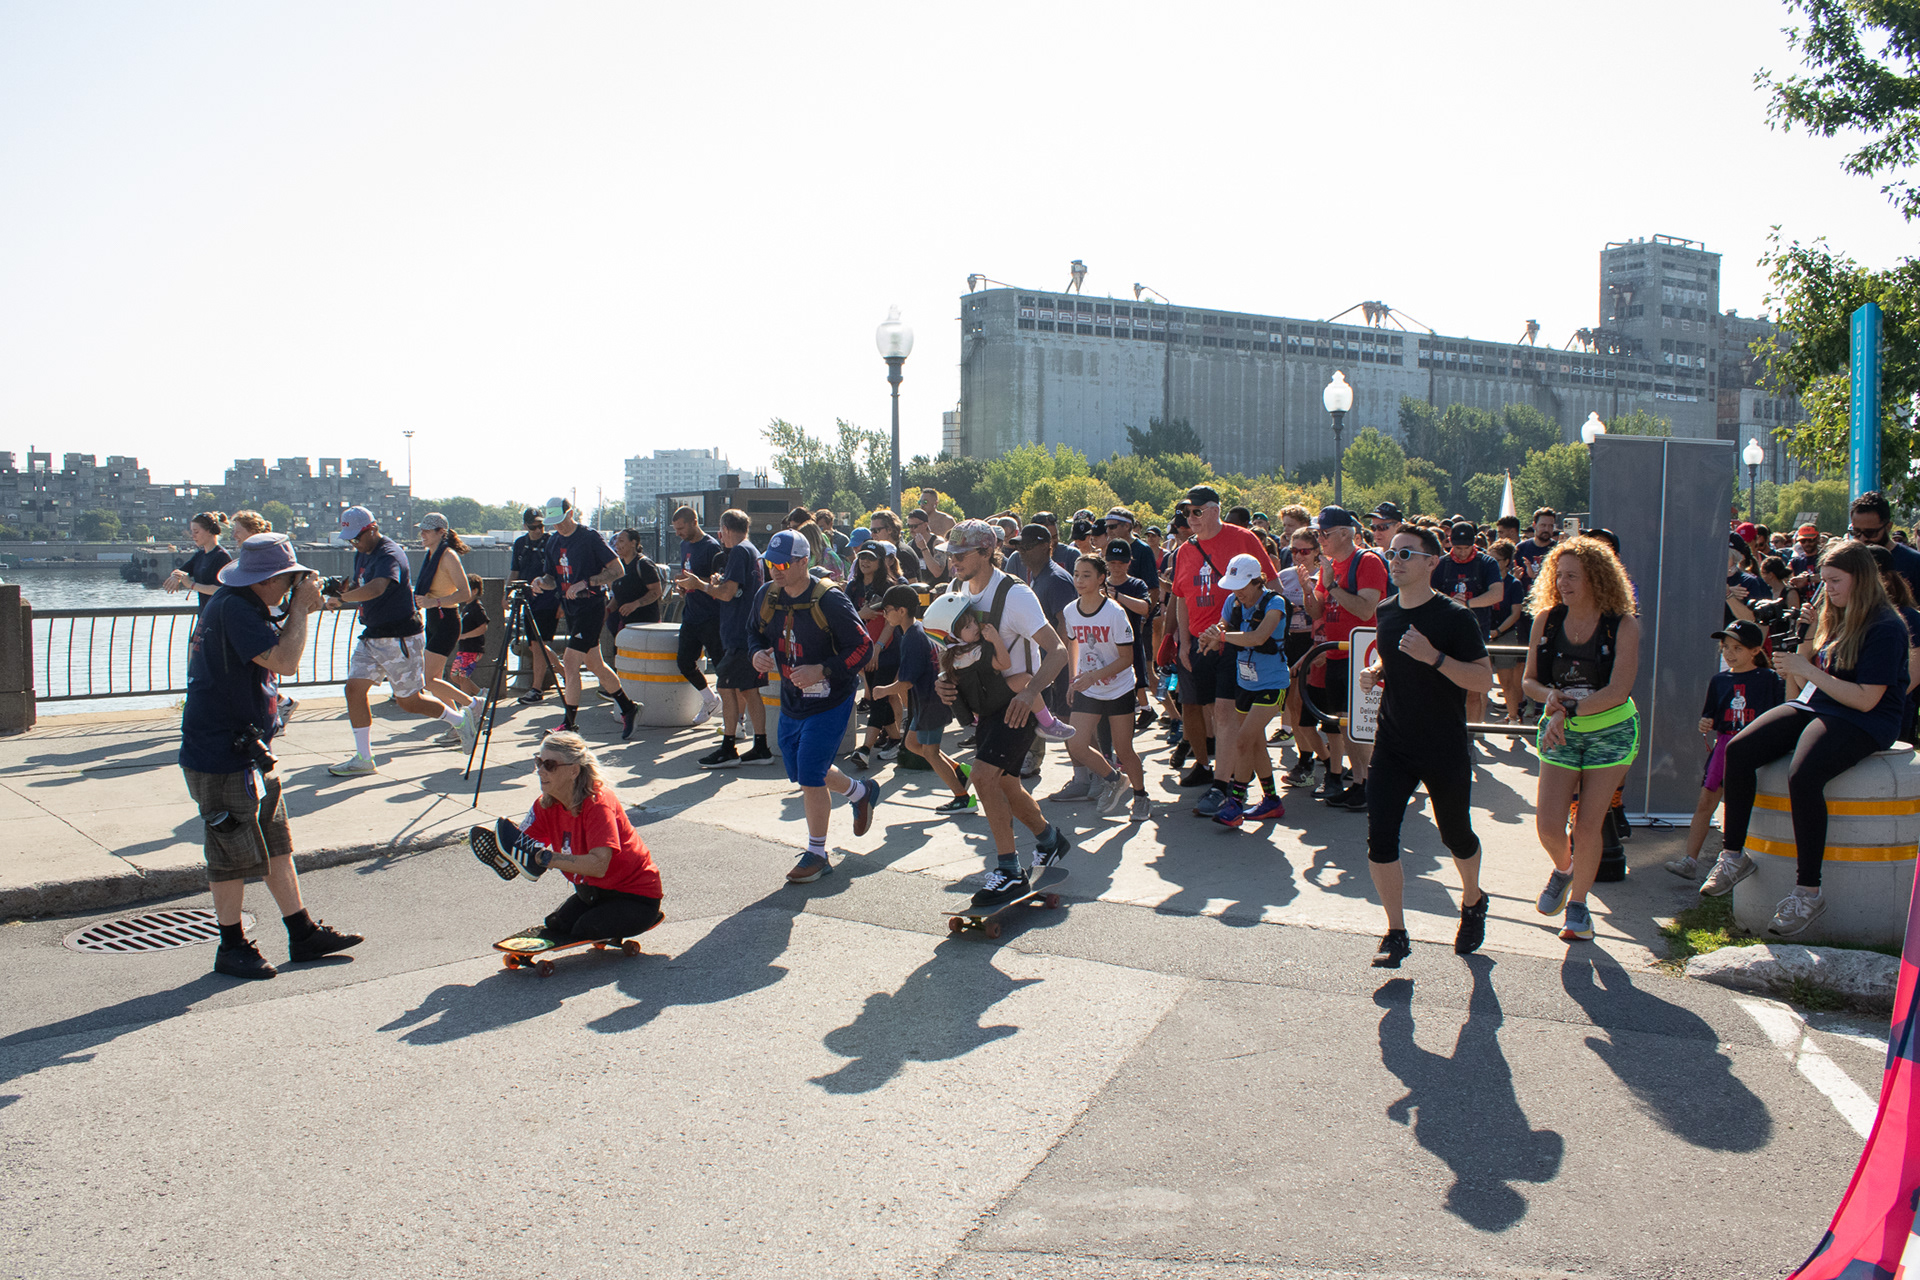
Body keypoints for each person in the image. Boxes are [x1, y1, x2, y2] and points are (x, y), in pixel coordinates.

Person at [1707, 541, 1911, 935]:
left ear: (1861, 579)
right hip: (1820, 702)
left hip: (1864, 717)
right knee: (1740, 749)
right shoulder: (1837, 613)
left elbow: (1866, 699)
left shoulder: (1886, 626)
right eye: (1824, 581)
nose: (1827, 589)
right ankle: (1733, 856)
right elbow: (1804, 681)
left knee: (1803, 774)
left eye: (1835, 581)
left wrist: (1807, 669)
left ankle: (1808, 891)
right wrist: (1807, 640)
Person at [180, 533, 361, 980]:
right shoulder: (236, 609)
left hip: (249, 749)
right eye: (289, 580)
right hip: (221, 751)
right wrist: (299, 609)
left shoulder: (242, 603)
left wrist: (297, 608)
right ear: (266, 579)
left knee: (275, 844)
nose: (293, 587)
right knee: (229, 852)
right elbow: (285, 661)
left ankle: (303, 932)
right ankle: (231, 946)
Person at [1356, 525, 1495, 967]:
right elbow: (1393, 653)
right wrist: (1377, 670)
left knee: (1456, 835)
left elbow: (1482, 680)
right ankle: (1396, 933)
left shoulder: (1455, 617)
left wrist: (1434, 657)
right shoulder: (1385, 610)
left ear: (1432, 562)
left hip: (1443, 743)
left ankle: (1472, 899)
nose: (1395, 561)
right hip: (1392, 741)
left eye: (1406, 554)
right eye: (1392, 553)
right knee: (1380, 839)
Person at [935, 520, 1073, 905]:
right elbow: (951, 652)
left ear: (986, 552)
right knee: (1007, 785)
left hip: (1017, 704)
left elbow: (1058, 651)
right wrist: (942, 682)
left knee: (982, 777)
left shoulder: (1015, 595)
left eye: (961, 554)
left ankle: (1009, 871)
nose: (953, 561)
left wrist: (1030, 693)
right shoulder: (954, 591)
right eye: (950, 554)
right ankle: (1049, 840)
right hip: (985, 705)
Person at [1520, 536, 1642, 943]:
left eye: (1573, 576)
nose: (1563, 583)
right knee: (1548, 826)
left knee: (1588, 824)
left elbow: (1618, 691)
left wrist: (1565, 711)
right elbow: (1530, 681)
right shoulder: (1547, 620)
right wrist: (1551, 700)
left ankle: (1578, 907)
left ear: (1597, 578)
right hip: (1560, 729)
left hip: (1611, 732)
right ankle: (1565, 869)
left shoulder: (1623, 625)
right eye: (1559, 575)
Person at [746, 530, 879, 883]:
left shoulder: (830, 600)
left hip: (831, 700)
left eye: (782, 565)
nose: (775, 570)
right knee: (809, 771)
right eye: (770, 564)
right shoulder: (767, 595)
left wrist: (823, 669)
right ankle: (861, 792)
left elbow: (862, 647)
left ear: (804, 562)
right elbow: (753, 633)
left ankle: (817, 854)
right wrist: (757, 653)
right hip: (792, 699)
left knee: (809, 774)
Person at [471, 732, 664, 942]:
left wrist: (546, 858)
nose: (540, 771)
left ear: (574, 770)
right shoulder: (545, 804)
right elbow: (524, 843)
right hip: (593, 892)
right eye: (539, 762)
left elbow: (599, 865)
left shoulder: (598, 803)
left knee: (586, 928)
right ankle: (603, 920)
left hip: (636, 896)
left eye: (550, 765)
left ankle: (631, 921)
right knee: (556, 924)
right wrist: (508, 852)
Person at [325, 507, 476, 775]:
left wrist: (343, 599)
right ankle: (364, 758)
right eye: (349, 539)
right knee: (353, 690)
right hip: (372, 635)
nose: (354, 543)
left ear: (372, 529)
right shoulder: (363, 552)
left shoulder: (390, 553)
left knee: (410, 701)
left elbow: (377, 587)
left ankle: (460, 720)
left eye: (357, 537)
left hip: (401, 636)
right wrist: (340, 592)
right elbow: (363, 584)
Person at [1172, 485, 1279, 805]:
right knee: (1209, 710)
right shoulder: (1185, 550)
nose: (1190, 518)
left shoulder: (1243, 539)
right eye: (1186, 513)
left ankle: (1226, 785)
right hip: (1200, 643)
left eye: (1197, 511)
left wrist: (1261, 628)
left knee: (1225, 713)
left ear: (1215, 510)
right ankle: (1237, 778)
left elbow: (1272, 585)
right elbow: (1181, 597)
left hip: (1237, 643)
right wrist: (1183, 642)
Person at [1665, 621, 1784, 881]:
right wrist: (1705, 723)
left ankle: (1734, 857)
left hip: (1757, 748)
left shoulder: (1770, 679)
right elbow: (1710, 716)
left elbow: (1781, 714)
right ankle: (1690, 860)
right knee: (1705, 802)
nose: (1729, 653)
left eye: (1737, 648)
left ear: (1755, 650)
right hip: (1724, 747)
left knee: (1740, 804)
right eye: (1726, 647)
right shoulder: (1719, 680)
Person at [528, 498, 641, 740]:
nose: (557, 526)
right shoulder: (553, 542)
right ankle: (628, 707)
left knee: (570, 661)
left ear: (570, 514)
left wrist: (587, 582)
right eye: (553, 522)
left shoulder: (589, 537)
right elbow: (551, 579)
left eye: (560, 520)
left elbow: (618, 570)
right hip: (571, 609)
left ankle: (569, 724)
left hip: (591, 607)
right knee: (595, 664)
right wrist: (539, 583)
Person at [1299, 505, 1384, 811]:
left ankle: (1370, 784)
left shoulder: (1368, 561)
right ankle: (1359, 782)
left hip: (1361, 656)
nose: (1319, 539)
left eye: (1324, 533)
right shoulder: (1331, 565)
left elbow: (1365, 609)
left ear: (1346, 533)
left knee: (1361, 727)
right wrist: (1308, 589)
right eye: (1317, 533)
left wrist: (1332, 584)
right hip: (1336, 654)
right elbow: (1317, 612)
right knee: (1346, 725)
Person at [1204, 553, 1291, 828]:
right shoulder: (1233, 601)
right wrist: (1213, 634)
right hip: (1245, 683)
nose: (1237, 591)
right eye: (1233, 585)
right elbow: (1223, 626)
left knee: (1242, 740)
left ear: (1256, 581)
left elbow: (1258, 637)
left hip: (1273, 684)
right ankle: (1272, 800)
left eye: (1242, 585)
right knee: (1254, 743)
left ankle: (1236, 803)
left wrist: (1221, 636)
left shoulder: (1275, 603)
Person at [871, 584, 974, 814]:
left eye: (886, 610)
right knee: (912, 744)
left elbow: (906, 682)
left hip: (931, 702)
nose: (884, 615)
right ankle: (959, 771)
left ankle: (963, 798)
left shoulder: (912, 638)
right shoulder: (917, 629)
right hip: (925, 702)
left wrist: (883, 691)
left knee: (930, 752)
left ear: (901, 611)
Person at [1058, 554, 1147, 820]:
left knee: (1124, 749)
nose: (1079, 580)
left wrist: (1093, 676)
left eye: (1086, 575)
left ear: (1101, 579)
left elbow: (1127, 659)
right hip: (1088, 688)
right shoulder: (1070, 610)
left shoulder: (1115, 612)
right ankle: (1114, 779)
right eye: (1076, 574)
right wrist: (1074, 680)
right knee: (1076, 744)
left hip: (1119, 688)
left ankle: (1141, 797)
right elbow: (1073, 645)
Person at [694, 509, 770, 768]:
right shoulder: (753, 551)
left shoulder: (738, 551)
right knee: (749, 690)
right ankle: (761, 747)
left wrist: (700, 585)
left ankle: (729, 748)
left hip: (739, 634)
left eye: (721, 530)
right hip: (750, 633)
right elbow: (736, 589)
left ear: (725, 529)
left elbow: (727, 593)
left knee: (726, 688)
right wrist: (720, 583)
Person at [1004, 523, 1079, 750]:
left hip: (1061, 667)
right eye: (1019, 547)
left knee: (1070, 728)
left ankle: (1088, 769)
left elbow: (1067, 624)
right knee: (1051, 724)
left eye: (1028, 546)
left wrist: (1056, 668)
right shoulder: (1038, 576)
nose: (1022, 552)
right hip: (1048, 665)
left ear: (1047, 546)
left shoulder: (1056, 579)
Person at [1430, 520, 1505, 725]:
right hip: (1446, 634)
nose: (1462, 553)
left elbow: (1496, 593)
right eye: (1458, 548)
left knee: (1474, 690)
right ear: (1450, 543)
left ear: (1474, 543)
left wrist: (1467, 604)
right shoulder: (1441, 564)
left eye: (1466, 548)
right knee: (1445, 687)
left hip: (1476, 633)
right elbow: (1430, 594)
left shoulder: (1487, 563)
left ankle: (1471, 733)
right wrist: (1449, 602)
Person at [845, 539, 907, 771]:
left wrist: (878, 648)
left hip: (887, 649)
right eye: (862, 557)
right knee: (878, 696)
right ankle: (895, 739)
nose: (865, 561)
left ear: (881, 562)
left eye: (870, 558)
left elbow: (892, 623)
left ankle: (865, 749)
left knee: (878, 697)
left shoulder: (890, 587)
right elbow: (845, 616)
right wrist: (860, 614)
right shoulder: (853, 587)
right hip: (864, 649)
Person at [1276, 527, 1328, 785]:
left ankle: (1314, 759)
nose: (1298, 556)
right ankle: (1309, 757)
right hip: (1288, 642)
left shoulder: (1324, 576)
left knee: (1302, 704)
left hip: (1313, 641)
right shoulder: (1284, 576)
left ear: (1316, 551)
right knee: (1292, 705)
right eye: (1293, 550)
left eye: (1304, 551)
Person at [414, 513, 477, 723]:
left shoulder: (448, 556)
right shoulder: (431, 555)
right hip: (433, 619)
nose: (422, 534)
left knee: (428, 680)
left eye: (426, 530)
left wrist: (435, 602)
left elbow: (465, 593)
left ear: (441, 532)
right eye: (421, 530)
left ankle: (473, 704)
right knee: (434, 681)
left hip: (446, 620)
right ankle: (459, 724)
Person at [672, 505, 727, 725]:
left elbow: (719, 581)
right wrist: (683, 586)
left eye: (681, 528)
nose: (678, 533)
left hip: (712, 615)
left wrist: (697, 582)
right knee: (684, 662)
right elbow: (689, 574)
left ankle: (735, 716)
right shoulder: (684, 545)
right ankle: (710, 699)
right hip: (691, 613)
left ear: (694, 522)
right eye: (676, 529)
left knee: (722, 666)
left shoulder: (711, 547)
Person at [509, 509, 562, 704]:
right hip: (528, 600)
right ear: (525, 526)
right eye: (534, 527)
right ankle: (563, 672)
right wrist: (507, 593)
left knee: (539, 645)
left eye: (541, 525)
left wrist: (561, 602)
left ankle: (537, 688)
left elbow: (560, 573)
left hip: (548, 600)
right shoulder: (520, 544)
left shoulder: (552, 542)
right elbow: (515, 571)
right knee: (534, 645)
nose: (539, 530)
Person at [1102, 537, 1155, 727]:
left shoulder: (1136, 585)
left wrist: (1117, 596)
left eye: (1121, 563)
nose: (1117, 567)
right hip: (1105, 645)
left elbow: (1145, 608)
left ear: (1129, 562)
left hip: (1131, 643)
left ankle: (1143, 711)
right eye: (1112, 563)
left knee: (1136, 681)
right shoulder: (1100, 584)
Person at [602, 528, 663, 666]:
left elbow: (656, 591)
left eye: (621, 541)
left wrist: (635, 604)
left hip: (645, 625)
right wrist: (608, 610)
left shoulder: (644, 564)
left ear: (633, 543)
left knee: (642, 663)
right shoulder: (619, 567)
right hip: (625, 626)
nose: (617, 545)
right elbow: (619, 596)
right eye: (616, 542)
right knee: (622, 661)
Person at [1486, 540, 1530, 727]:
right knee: (1480, 681)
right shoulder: (1484, 580)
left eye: (1496, 560)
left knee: (1507, 681)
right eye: (1489, 558)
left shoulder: (1513, 584)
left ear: (1506, 562)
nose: (1491, 563)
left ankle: (1513, 718)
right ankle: (1478, 723)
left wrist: (1497, 631)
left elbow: (1515, 614)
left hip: (1505, 635)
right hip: (1484, 634)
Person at [1848, 491, 1920, 602]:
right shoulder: (1848, 560)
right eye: (1856, 532)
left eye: (1870, 533)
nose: (1862, 539)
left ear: (1888, 527)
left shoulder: (1914, 562)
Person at [163, 511, 232, 613]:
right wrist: (175, 576)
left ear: (209, 531)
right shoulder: (199, 555)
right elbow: (182, 571)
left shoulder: (221, 556)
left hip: (219, 614)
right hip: (204, 613)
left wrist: (191, 584)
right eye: (192, 532)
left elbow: (221, 590)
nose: (193, 536)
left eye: (196, 532)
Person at [448, 574, 489, 700]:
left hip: (473, 648)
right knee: (454, 676)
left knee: (463, 677)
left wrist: (465, 636)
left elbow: (483, 627)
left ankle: (467, 704)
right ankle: (481, 693)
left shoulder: (477, 607)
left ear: (474, 591)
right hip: (464, 648)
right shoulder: (466, 607)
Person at [868, 509, 922, 582]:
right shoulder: (877, 552)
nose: (872, 535)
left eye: (876, 531)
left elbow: (912, 584)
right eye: (871, 531)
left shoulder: (903, 554)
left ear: (889, 530)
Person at [1513, 507, 1558, 583]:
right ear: (1534, 525)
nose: (1547, 529)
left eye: (1550, 526)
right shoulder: (1521, 548)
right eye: (1543, 525)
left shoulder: (1557, 549)